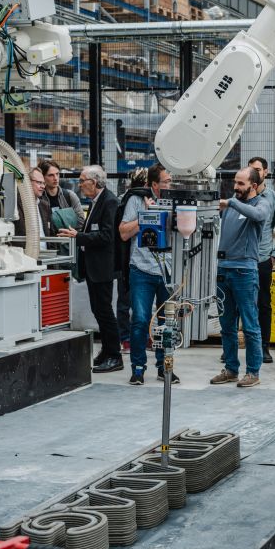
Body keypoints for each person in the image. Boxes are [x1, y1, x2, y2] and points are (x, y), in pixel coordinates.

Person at [211, 167, 270, 388]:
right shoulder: (231, 206)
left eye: (241, 183)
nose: (236, 187)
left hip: (244, 271)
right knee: (226, 325)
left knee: (250, 325)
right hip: (223, 270)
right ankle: (231, 369)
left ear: (253, 186)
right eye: (235, 182)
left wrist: (230, 203)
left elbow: (259, 216)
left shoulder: (261, 203)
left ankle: (253, 372)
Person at [60, 164, 122, 373]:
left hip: (102, 267)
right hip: (94, 267)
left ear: (93, 182)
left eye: (82, 181)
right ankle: (107, 350)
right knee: (98, 310)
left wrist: (78, 236)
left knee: (104, 311)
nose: (79, 185)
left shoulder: (109, 202)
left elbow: (107, 236)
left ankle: (114, 355)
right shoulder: (96, 202)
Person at [118, 163, 173, 386]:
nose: (170, 185)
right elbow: (123, 233)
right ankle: (138, 368)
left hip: (168, 271)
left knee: (167, 322)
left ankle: (165, 367)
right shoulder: (136, 200)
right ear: (154, 184)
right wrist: (146, 216)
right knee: (140, 319)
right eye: (166, 182)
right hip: (141, 269)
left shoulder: (174, 201)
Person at [248, 156, 275, 364]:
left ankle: (264, 347)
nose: (253, 173)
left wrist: (273, 256)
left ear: (266, 172)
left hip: (263, 259)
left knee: (264, 304)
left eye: (257, 169)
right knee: (239, 304)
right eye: (250, 169)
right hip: (242, 260)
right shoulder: (241, 196)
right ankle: (232, 347)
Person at [115, 167, 149, 355]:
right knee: (127, 301)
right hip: (129, 258)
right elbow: (123, 232)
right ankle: (127, 338)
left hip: (132, 258)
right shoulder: (130, 201)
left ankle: (132, 338)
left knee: (133, 302)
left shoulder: (127, 198)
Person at [12, 167, 49, 242]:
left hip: (44, 249)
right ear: (27, 182)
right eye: (39, 182)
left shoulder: (45, 205)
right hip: (25, 249)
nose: (43, 186)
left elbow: (50, 233)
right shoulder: (14, 203)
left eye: (43, 183)